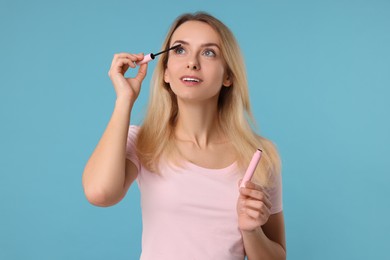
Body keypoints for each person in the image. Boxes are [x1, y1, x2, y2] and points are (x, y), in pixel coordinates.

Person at [82, 11, 286, 260]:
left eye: (209, 52)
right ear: (165, 72)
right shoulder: (144, 141)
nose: (192, 62)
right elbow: (100, 194)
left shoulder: (259, 156)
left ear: (228, 76)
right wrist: (124, 101)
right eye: (179, 50)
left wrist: (252, 231)